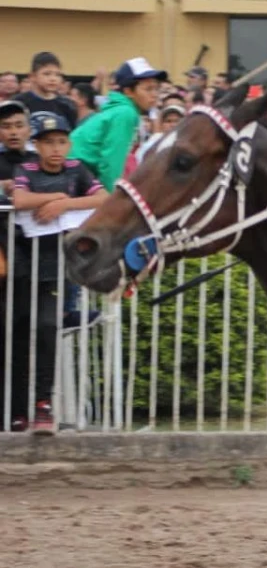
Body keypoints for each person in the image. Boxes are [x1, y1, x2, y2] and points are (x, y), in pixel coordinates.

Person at [9, 112, 107, 434]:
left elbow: (104, 197)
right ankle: (17, 410)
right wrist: (54, 197)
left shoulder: (77, 169)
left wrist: (66, 206)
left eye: (62, 142)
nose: (56, 149)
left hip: (57, 271)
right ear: (36, 145)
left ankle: (43, 405)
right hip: (24, 269)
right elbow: (20, 199)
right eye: (48, 142)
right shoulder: (26, 169)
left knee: (48, 327)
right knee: (21, 334)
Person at [69, 57, 168, 191]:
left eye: (156, 88)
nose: (155, 94)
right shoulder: (125, 113)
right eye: (148, 89)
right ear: (128, 92)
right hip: (73, 175)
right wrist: (111, 201)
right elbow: (111, 165)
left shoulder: (120, 110)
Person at [16, 52, 78, 131]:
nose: (53, 79)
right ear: (32, 76)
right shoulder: (19, 103)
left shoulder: (67, 105)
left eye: (57, 75)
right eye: (47, 74)